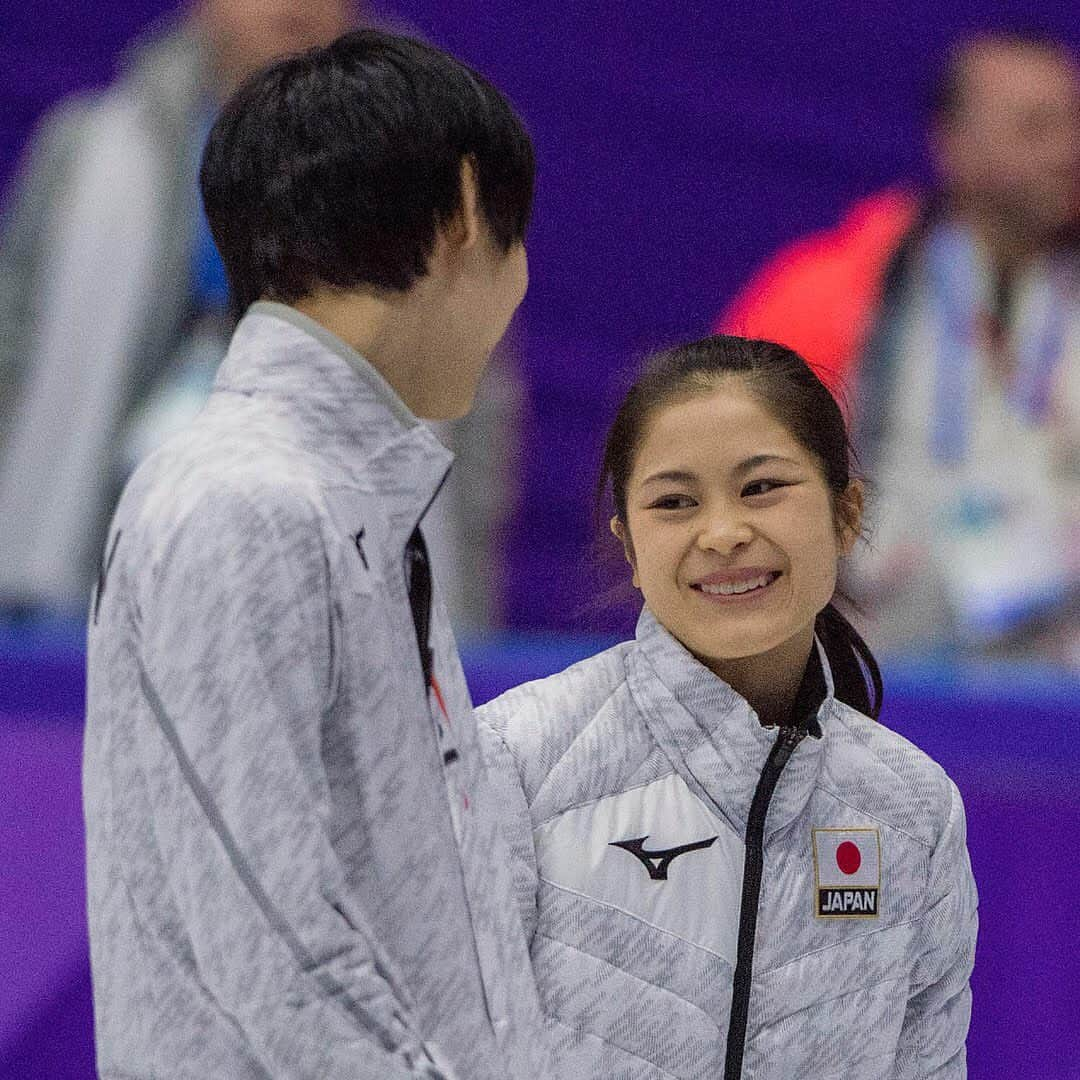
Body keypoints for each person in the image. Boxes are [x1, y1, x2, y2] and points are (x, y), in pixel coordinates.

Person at [83, 30, 551, 1080]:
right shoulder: (237, 502)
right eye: (519, 240)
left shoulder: (360, 494)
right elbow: (273, 944)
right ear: (467, 221)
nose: (519, 282)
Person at [478, 336, 978, 1078]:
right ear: (630, 545)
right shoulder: (519, 760)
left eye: (762, 488)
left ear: (847, 515)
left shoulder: (912, 811)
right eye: (675, 502)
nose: (722, 533)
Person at [0, 0, 520, 633]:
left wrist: (462, 606)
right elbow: (14, 360)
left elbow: (475, 400)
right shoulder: (89, 151)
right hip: (98, 559)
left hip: (348, 562)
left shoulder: (440, 168)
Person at [717, 30, 1080, 664]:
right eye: (1036, 128)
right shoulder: (826, 294)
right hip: (872, 669)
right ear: (954, 144)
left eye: (1075, 123)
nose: (1068, 151)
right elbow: (717, 490)